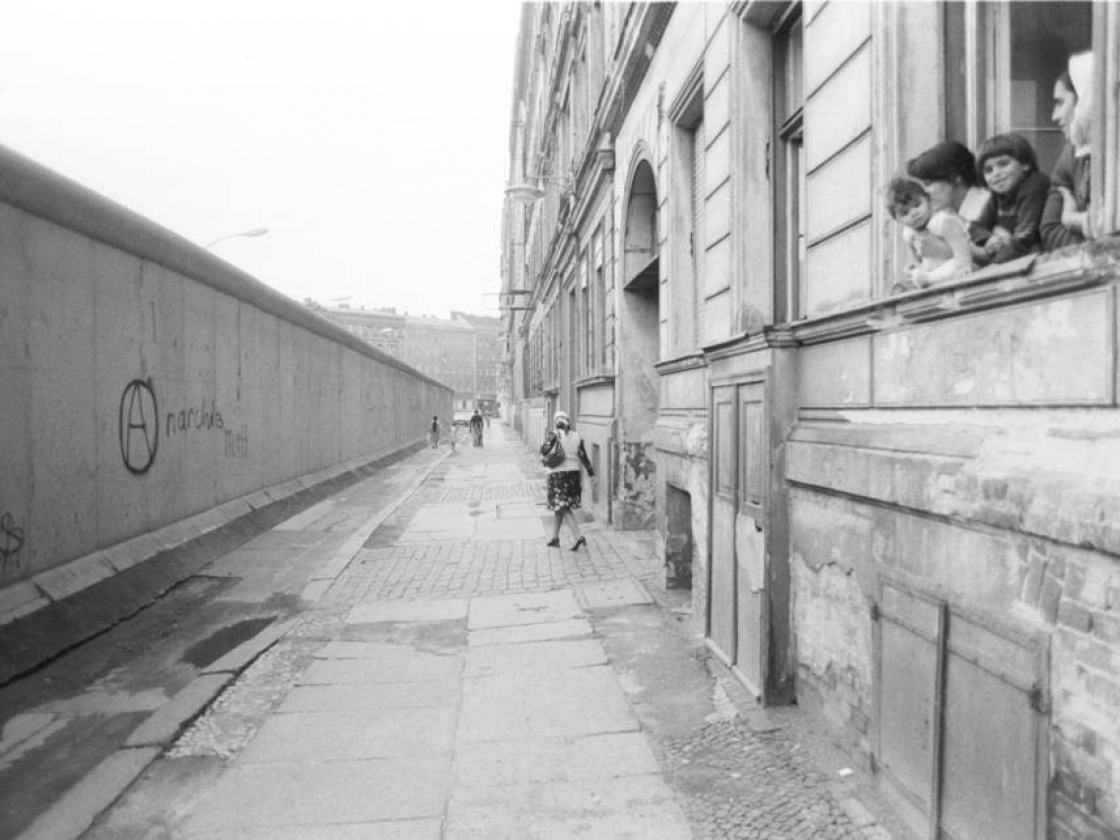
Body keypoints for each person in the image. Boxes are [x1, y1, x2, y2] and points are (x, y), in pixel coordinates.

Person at [906, 140, 995, 266]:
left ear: (955, 178)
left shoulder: (988, 205)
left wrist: (946, 251)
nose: (924, 193)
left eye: (928, 184)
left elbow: (1002, 259)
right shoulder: (947, 214)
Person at [1042, 52, 1093, 250]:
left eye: (1060, 102)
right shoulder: (1073, 152)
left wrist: (1072, 219)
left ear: (1086, 101)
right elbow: (1050, 230)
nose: (1055, 116)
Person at [975, 133, 1050, 263]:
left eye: (1003, 164)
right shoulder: (998, 196)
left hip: (1046, 256)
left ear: (1025, 164)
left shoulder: (1035, 184)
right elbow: (975, 227)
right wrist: (990, 238)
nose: (996, 173)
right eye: (988, 170)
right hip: (1016, 256)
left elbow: (1024, 238)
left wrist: (995, 267)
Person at [886, 177, 973, 291]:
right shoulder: (908, 233)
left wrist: (963, 265)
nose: (914, 213)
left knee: (953, 265)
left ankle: (929, 279)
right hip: (933, 265)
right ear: (897, 220)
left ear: (927, 200)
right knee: (914, 273)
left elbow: (959, 243)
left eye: (917, 205)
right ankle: (909, 284)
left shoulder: (941, 221)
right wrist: (915, 265)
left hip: (953, 261)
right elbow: (916, 254)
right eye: (905, 213)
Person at [540, 410, 595, 550]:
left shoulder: (553, 436)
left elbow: (543, 451)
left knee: (563, 507)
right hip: (573, 476)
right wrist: (591, 473)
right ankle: (555, 538)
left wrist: (551, 439)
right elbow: (583, 456)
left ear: (556, 421)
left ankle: (578, 537)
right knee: (560, 507)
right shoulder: (576, 436)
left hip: (557, 475)